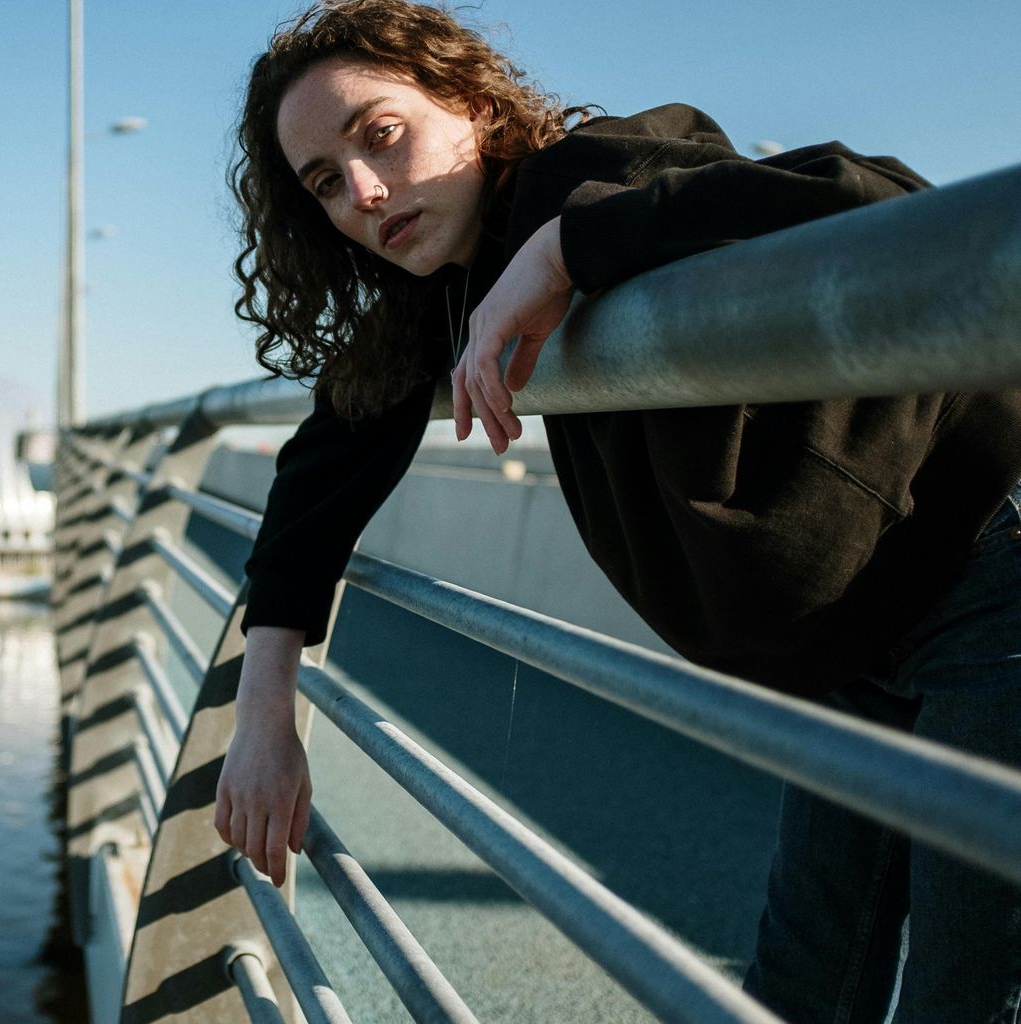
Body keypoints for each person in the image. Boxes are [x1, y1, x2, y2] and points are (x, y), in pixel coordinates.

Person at [210, 1, 1021, 1021]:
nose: (365, 192)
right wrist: (264, 705)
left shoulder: (588, 171)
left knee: (968, 992)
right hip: (852, 643)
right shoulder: (446, 296)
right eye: (326, 182)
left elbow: (879, 200)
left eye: (383, 135)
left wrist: (564, 251)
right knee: (805, 980)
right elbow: (325, 466)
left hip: (985, 574)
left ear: (469, 102)